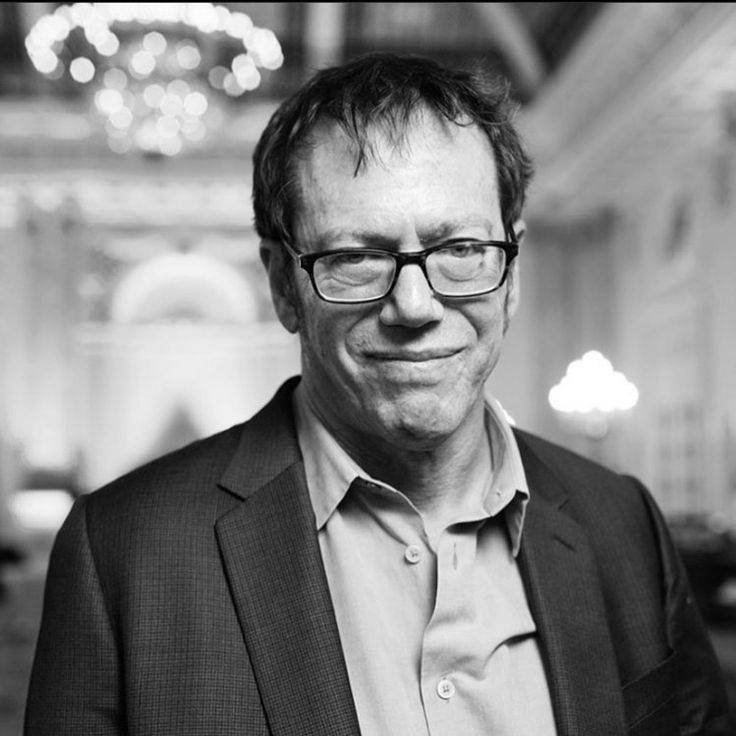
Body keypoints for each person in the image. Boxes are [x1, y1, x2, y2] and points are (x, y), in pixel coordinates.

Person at [25, 52, 732, 736]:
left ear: (511, 272)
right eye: (358, 257)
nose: (416, 305)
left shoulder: (625, 525)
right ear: (282, 285)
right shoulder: (123, 552)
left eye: (460, 249)